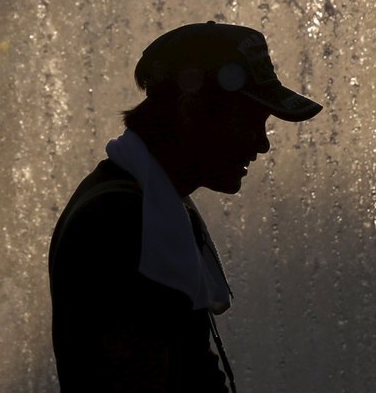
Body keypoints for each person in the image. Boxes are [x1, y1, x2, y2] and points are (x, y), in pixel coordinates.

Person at [48, 21, 322, 392]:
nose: (262, 144)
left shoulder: (146, 203)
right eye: (249, 121)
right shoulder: (120, 220)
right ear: (191, 107)